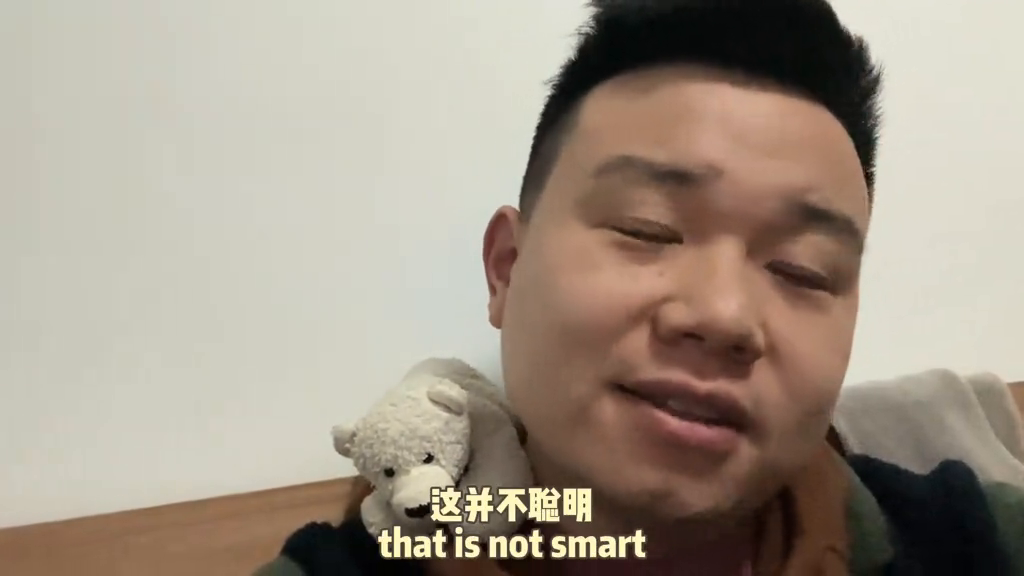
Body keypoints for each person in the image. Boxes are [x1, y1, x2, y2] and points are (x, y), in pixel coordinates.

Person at [256, 1, 1024, 574]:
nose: (723, 314)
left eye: (802, 270)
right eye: (647, 229)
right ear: (506, 270)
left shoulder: (976, 543)